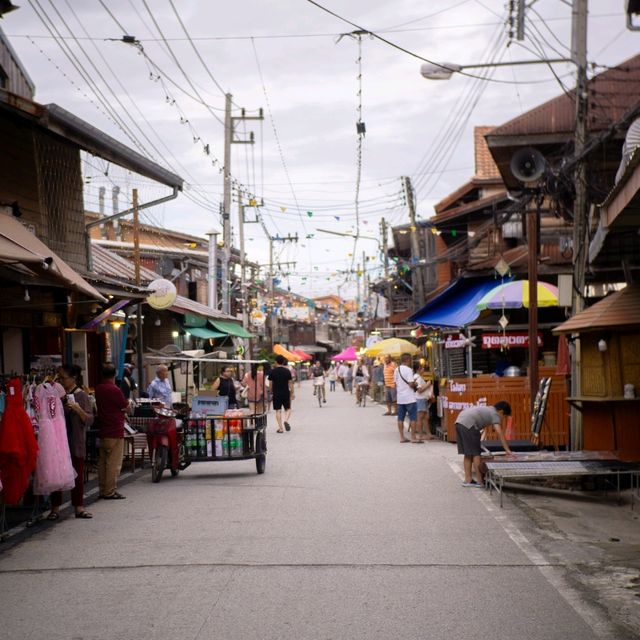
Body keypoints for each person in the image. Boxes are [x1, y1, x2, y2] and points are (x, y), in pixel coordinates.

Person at [48, 364, 94, 520]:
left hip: (75, 442)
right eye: (58, 377)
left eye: (63, 378)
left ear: (73, 378)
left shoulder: (81, 395)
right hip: (58, 442)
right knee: (57, 476)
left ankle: (79, 507)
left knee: (77, 476)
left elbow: (89, 420)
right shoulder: (56, 395)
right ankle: (55, 509)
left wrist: (77, 409)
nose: (60, 380)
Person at [455, 401, 513, 487]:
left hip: (459, 422)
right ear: (501, 412)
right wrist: (508, 450)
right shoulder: (495, 414)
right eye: (504, 417)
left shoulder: (488, 409)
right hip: (469, 424)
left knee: (468, 454)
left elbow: (483, 425)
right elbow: (500, 433)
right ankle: (480, 481)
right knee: (476, 454)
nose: (502, 419)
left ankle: (468, 480)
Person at [95, 363, 129, 499]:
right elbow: (125, 406)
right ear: (115, 374)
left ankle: (102, 489)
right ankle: (109, 491)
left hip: (103, 429)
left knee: (103, 463)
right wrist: (129, 406)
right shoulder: (115, 390)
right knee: (113, 464)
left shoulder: (98, 389)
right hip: (115, 430)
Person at [394, 353, 418, 443]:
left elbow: (395, 383)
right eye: (411, 359)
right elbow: (411, 384)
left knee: (400, 418)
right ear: (408, 360)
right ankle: (413, 437)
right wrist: (415, 384)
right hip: (410, 398)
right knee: (413, 418)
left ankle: (401, 437)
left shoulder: (396, 370)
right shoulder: (409, 370)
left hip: (400, 398)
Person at [268, 355, 294, 433]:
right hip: (285, 392)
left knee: (278, 410)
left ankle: (281, 428)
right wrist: (292, 392)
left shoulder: (272, 371)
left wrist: (271, 391)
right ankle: (286, 420)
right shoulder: (287, 371)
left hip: (276, 393)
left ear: (276, 362)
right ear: (283, 362)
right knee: (288, 409)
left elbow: (270, 383)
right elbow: (290, 382)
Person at [413, 363, 433, 442]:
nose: (423, 370)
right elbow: (419, 390)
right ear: (418, 369)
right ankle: (420, 435)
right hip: (420, 399)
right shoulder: (417, 378)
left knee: (425, 417)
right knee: (420, 418)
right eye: (422, 368)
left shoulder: (418, 377)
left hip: (423, 399)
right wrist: (428, 385)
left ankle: (428, 434)